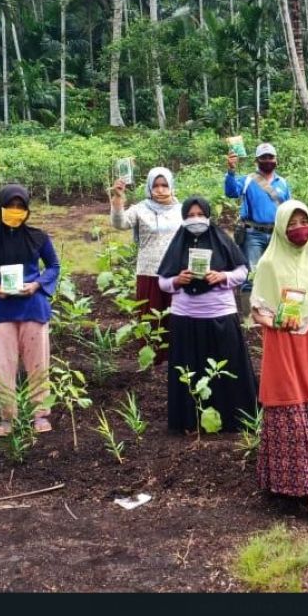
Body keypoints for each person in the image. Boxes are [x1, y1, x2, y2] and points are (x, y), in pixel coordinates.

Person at [249, 200, 308, 530]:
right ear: (279, 227)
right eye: (292, 222)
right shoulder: (269, 264)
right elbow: (256, 311)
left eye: (304, 220)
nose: (299, 227)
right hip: (284, 346)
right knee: (291, 410)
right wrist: (275, 320)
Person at [0, 184, 61, 437]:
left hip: (32, 306)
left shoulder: (38, 237)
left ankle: (40, 415)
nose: (15, 211)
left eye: (21, 207)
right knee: (3, 365)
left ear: (27, 209)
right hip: (0, 308)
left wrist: (37, 284)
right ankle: (7, 417)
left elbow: (53, 265)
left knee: (38, 363)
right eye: (11, 206)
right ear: (0, 207)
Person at [157, 197, 258, 434]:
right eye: (190, 215)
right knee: (191, 371)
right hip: (186, 318)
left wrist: (223, 277)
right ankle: (190, 421)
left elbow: (243, 271)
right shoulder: (178, 244)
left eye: (199, 214)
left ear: (208, 215)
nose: (195, 219)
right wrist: (176, 280)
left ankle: (235, 420)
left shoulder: (222, 240)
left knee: (228, 369)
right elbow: (162, 281)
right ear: (183, 218)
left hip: (220, 315)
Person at [109, 166, 181, 364]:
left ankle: (176, 357)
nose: (160, 190)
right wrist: (118, 198)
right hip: (149, 272)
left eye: (164, 185)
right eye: (156, 186)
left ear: (171, 186)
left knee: (175, 315)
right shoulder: (141, 208)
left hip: (176, 273)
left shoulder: (182, 209)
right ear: (149, 187)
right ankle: (151, 358)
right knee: (150, 315)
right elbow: (119, 223)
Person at [225, 142, 292, 292]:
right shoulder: (247, 180)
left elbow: (289, 209)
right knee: (251, 277)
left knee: (278, 274)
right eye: (263, 157)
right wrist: (231, 171)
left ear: (276, 160)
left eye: (270, 157)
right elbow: (231, 192)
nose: (267, 160)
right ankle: (249, 313)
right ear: (256, 161)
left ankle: (273, 312)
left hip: (277, 234)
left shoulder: (283, 183)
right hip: (253, 235)